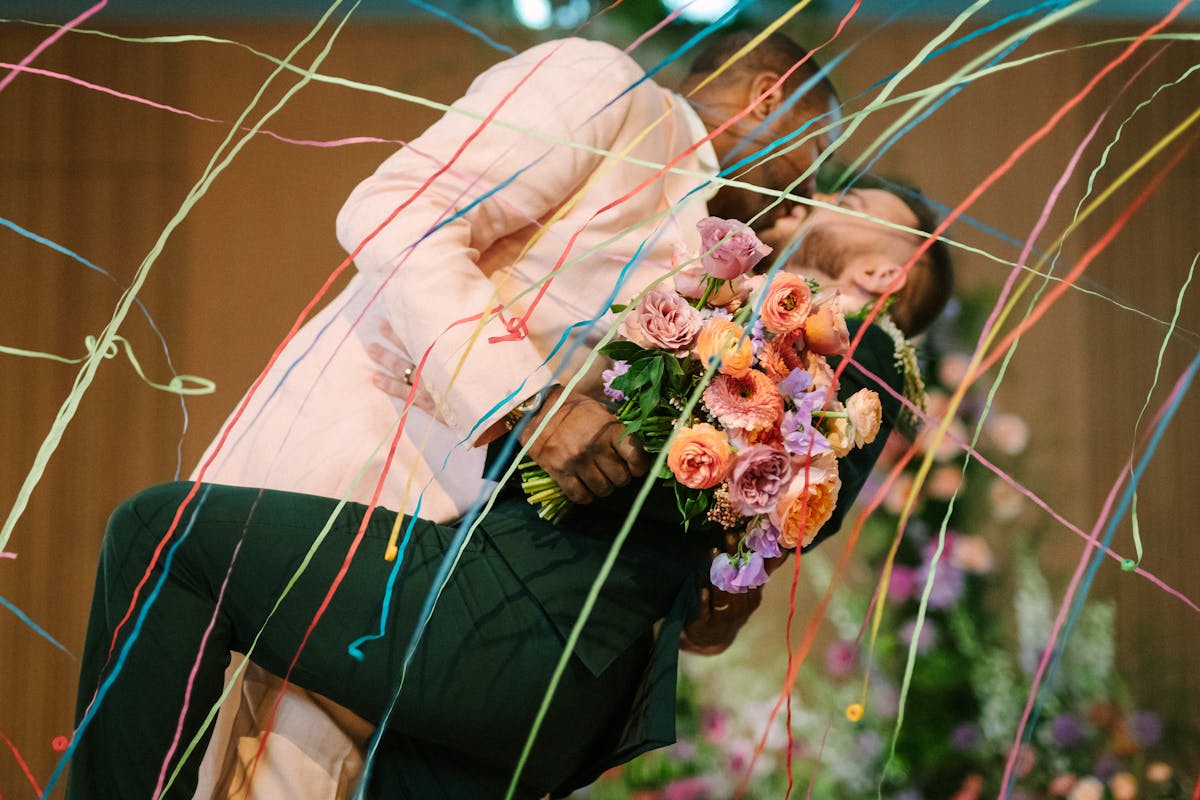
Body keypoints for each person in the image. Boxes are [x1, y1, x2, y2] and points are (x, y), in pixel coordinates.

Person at [63, 31, 908, 800]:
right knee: (229, 754)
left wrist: (719, 584)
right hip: (360, 450)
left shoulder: (714, 250)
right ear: (767, 99)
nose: (806, 185)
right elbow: (397, 212)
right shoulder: (605, 87)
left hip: (447, 535)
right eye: (814, 148)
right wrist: (526, 402)